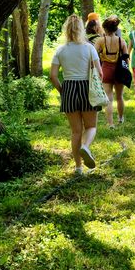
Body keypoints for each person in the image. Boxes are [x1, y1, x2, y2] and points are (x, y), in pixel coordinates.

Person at [49, 14, 102, 174]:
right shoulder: (89, 48)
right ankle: (85, 147)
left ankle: (78, 167)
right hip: (87, 88)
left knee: (76, 131)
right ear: (81, 30)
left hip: (69, 88)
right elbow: (99, 73)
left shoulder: (60, 50)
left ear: (66, 30)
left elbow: (52, 76)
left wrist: (62, 91)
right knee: (91, 126)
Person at [96, 15, 128, 127]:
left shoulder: (100, 41)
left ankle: (110, 123)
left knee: (108, 98)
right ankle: (120, 118)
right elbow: (126, 58)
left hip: (106, 69)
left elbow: (94, 55)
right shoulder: (121, 41)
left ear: (105, 29)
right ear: (115, 29)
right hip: (119, 69)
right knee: (119, 97)